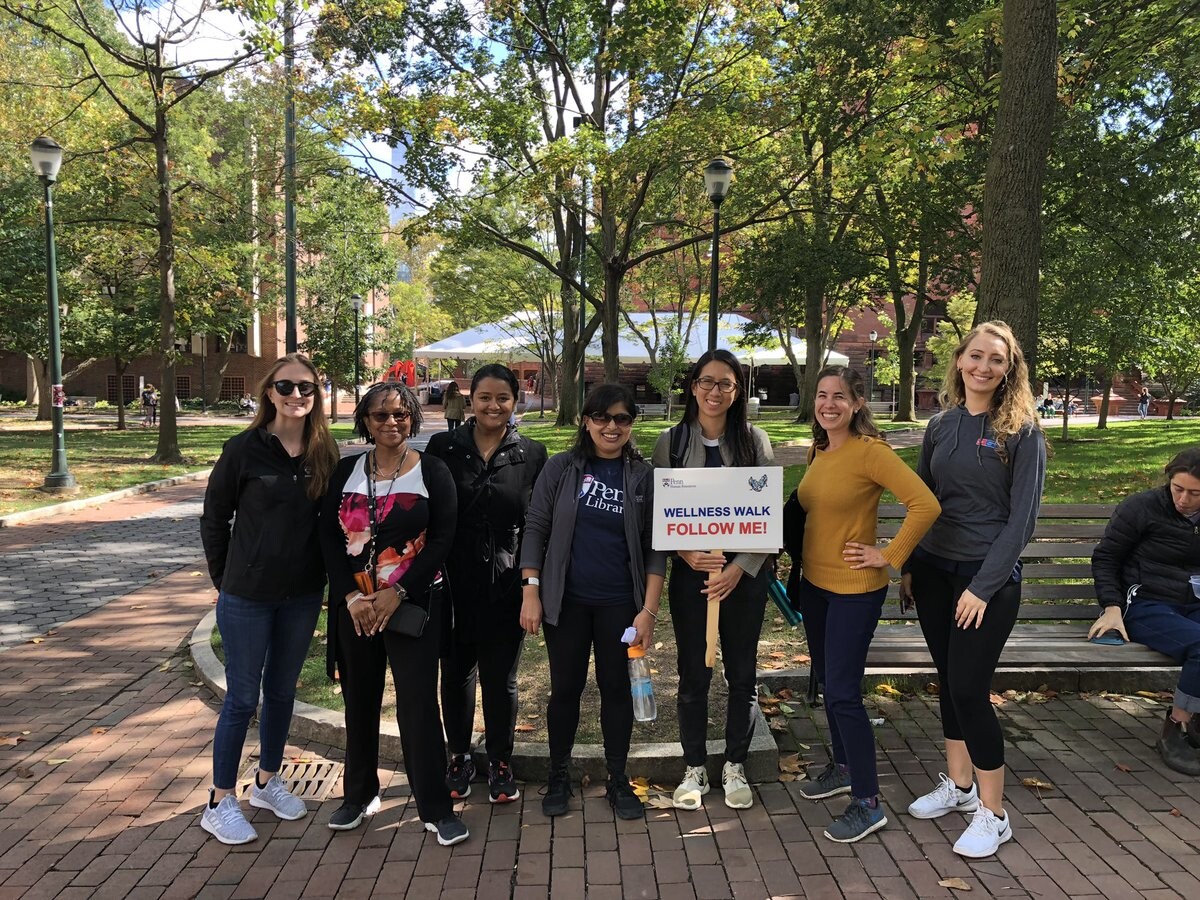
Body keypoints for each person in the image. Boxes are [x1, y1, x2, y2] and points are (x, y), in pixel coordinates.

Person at [900, 320, 1047, 858]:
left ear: (1010, 370)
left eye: (997, 360)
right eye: (976, 356)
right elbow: (925, 502)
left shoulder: (1023, 431)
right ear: (959, 361)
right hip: (936, 572)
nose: (984, 367)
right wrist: (911, 566)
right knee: (948, 680)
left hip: (985, 581)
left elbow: (1022, 521)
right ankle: (959, 789)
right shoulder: (940, 424)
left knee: (968, 688)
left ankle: (995, 814)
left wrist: (983, 587)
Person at [197, 354, 339, 845]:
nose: (297, 395)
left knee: (281, 692)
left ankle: (267, 781)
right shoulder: (243, 450)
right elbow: (214, 519)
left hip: (300, 595)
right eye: (286, 386)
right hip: (247, 596)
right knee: (240, 698)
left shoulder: (325, 451)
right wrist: (225, 578)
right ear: (269, 392)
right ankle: (218, 801)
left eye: (306, 388)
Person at [794, 366, 940, 842]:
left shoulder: (870, 452)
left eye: (839, 396)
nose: (828, 404)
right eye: (821, 395)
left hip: (855, 588)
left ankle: (868, 801)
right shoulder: (820, 448)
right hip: (815, 584)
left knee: (842, 692)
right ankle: (841, 768)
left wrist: (889, 554)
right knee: (827, 681)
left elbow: (926, 504)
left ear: (858, 403)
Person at [318, 382, 468, 846]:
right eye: (381, 415)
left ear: (413, 420)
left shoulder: (432, 471)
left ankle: (435, 806)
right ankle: (358, 795)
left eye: (401, 415)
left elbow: (443, 540)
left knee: (418, 704)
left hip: (414, 604)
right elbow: (328, 541)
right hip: (357, 608)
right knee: (359, 700)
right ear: (365, 420)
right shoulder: (344, 472)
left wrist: (398, 591)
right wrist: (350, 598)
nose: (391, 422)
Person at [519, 384, 666, 821]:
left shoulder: (643, 475)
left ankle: (618, 778)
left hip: (620, 604)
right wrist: (530, 588)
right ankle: (559, 774)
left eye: (622, 418)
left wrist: (649, 610)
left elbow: (655, 546)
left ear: (631, 424)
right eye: (601, 417)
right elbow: (536, 527)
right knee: (566, 689)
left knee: (615, 689)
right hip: (565, 602)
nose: (611, 426)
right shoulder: (562, 469)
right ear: (586, 420)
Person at [651, 349, 775, 812]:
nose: (714, 392)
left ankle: (736, 765)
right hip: (692, 578)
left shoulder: (754, 441)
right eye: (706, 382)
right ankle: (695, 766)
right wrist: (687, 552)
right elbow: (661, 513)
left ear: (737, 390)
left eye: (725, 383)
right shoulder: (672, 441)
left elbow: (766, 521)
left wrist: (737, 569)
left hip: (744, 576)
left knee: (742, 673)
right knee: (693, 673)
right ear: (693, 386)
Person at [426, 365, 548, 803]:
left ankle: (499, 760)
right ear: (470, 399)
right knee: (456, 673)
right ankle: (457, 754)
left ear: (516, 401)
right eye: (484, 397)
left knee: (502, 679)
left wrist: (531, 583)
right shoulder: (443, 447)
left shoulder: (532, 453)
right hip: (453, 580)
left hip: (507, 581)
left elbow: (537, 522)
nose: (493, 406)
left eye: (503, 398)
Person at [1089, 447, 1200, 776]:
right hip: (1147, 602)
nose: (1183, 499)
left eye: (1195, 494)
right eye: (1177, 489)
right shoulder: (1142, 507)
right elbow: (1106, 558)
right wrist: (1111, 608)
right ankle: (1176, 728)